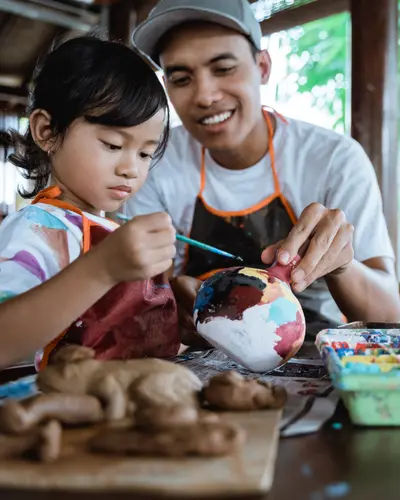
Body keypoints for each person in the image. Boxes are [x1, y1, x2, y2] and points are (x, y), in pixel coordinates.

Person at [126, 0, 400, 343]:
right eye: (182, 79)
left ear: (263, 67)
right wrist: (167, 302)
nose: (205, 96)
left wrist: (343, 265)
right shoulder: (152, 161)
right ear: (168, 88)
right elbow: (140, 297)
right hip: (199, 351)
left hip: (315, 353)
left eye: (223, 69)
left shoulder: (334, 159)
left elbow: (390, 315)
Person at [0, 36, 178, 369]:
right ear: (47, 131)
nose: (130, 168)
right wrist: (103, 268)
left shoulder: (114, 231)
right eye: (112, 145)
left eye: (144, 153)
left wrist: (176, 314)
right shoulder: (36, 232)